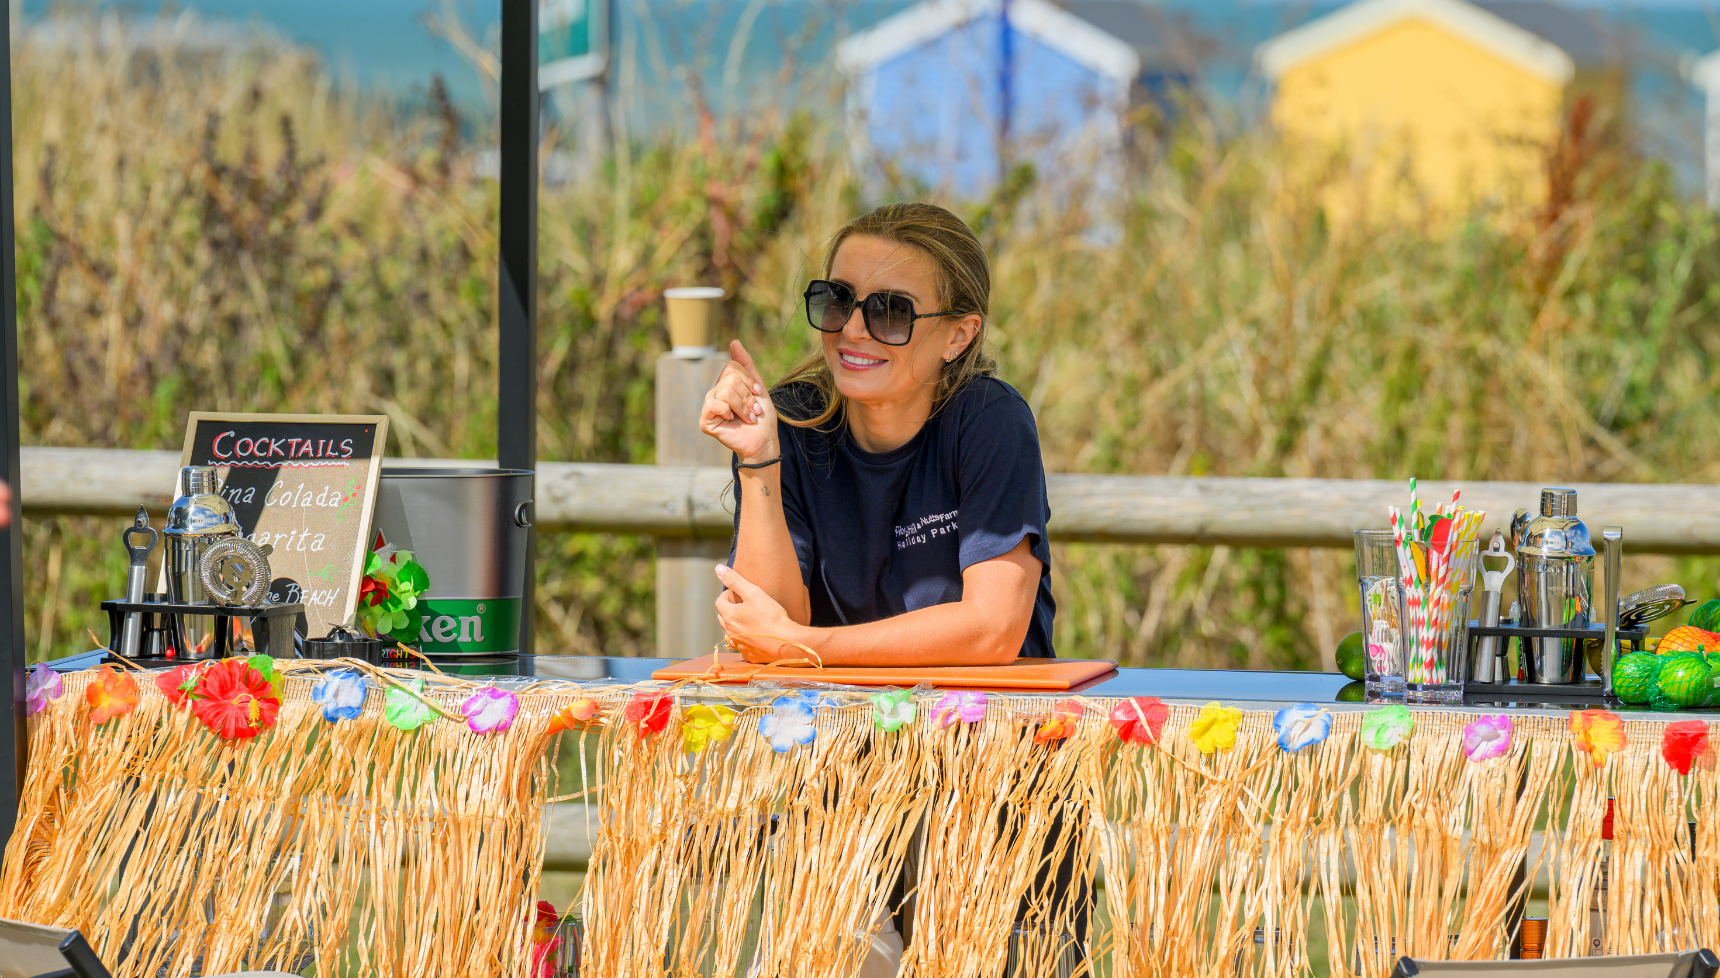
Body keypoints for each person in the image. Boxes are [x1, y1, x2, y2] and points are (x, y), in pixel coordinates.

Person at [700, 201, 1055, 666]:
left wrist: (810, 646)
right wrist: (758, 459)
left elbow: (993, 629)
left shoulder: (991, 420)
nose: (851, 329)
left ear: (959, 336)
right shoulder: (789, 422)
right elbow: (769, 627)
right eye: (838, 299)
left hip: (979, 729)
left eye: (890, 312)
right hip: (835, 731)